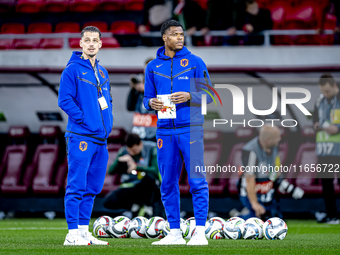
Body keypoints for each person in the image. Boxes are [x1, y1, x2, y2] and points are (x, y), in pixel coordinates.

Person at [143, 19, 214, 245]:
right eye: (175, 34)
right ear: (165, 38)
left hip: (191, 129)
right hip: (164, 131)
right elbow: (146, 98)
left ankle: (200, 232)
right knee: (168, 183)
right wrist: (150, 103)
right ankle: (174, 232)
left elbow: (210, 95)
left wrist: (190, 96)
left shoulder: (195, 62)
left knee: (197, 180)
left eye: (182, 34)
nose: (180, 38)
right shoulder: (152, 67)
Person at [58, 26, 113, 245]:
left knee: (92, 188)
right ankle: (72, 234)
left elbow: (107, 103)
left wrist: (107, 124)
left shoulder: (102, 72)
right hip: (80, 136)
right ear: (80, 43)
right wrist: (85, 119)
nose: (91, 44)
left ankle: (82, 231)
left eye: (95, 40)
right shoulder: (71, 70)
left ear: (100, 44)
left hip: (101, 139)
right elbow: (64, 100)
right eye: (87, 40)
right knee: (76, 185)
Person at [103, 133, 164, 218]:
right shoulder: (124, 151)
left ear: (140, 144)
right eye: (130, 150)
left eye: (134, 150)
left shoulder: (152, 148)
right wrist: (119, 160)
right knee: (108, 201)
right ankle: (133, 208)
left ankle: (146, 207)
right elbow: (111, 171)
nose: (132, 153)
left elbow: (156, 171)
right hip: (131, 186)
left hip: (148, 186)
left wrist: (136, 166)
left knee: (149, 179)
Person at [238, 125, 283, 220]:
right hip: (250, 189)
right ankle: (240, 215)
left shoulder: (274, 147)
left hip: (266, 188)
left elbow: (277, 169)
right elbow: (249, 179)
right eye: (277, 137)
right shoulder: (250, 151)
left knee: (274, 217)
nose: (280, 139)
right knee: (253, 218)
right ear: (268, 140)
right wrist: (254, 203)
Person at [313, 73, 340, 224]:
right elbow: (315, 120)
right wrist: (316, 125)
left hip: (339, 149)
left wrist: (338, 129)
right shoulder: (319, 101)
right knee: (327, 183)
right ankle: (331, 214)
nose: (325, 94)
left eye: (327, 91)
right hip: (324, 149)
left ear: (334, 85)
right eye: (323, 91)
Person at [127, 58, 157, 141]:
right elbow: (130, 107)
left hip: (154, 135)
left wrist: (147, 89)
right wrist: (133, 89)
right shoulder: (141, 86)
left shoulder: (161, 84)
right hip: (139, 133)